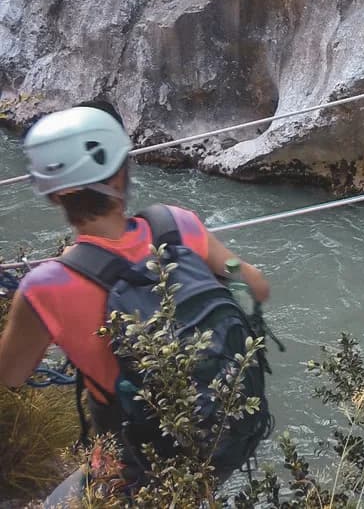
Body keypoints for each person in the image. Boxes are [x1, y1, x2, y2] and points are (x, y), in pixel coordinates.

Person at [0, 100, 271, 507]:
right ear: (124, 172)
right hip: (216, 439)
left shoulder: (44, 288)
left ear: (54, 195)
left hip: (130, 469)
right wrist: (225, 267)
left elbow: (11, 376)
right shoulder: (177, 225)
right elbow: (255, 285)